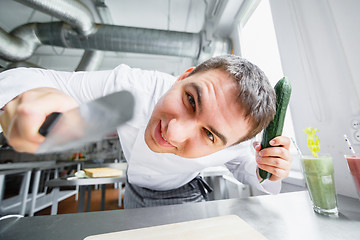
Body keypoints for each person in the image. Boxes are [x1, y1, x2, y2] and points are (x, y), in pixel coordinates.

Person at [0, 55, 292, 208]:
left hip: (183, 193)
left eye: (209, 135)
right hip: (135, 185)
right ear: (183, 77)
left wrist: (271, 169)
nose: (173, 133)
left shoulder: (238, 144)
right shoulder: (133, 89)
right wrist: (32, 94)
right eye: (190, 100)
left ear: (228, 145)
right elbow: (34, 77)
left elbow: (253, 176)